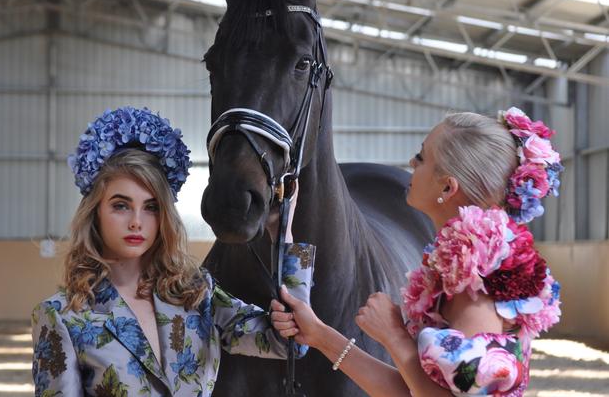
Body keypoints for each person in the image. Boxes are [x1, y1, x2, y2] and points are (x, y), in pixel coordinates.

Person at [271, 107, 562, 396]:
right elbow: (410, 391)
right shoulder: (461, 263)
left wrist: (394, 335)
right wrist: (320, 335)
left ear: (447, 188)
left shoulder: (477, 281)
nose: (411, 162)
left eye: (421, 157)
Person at [31, 106, 314, 396]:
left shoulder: (196, 294)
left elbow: (291, 342)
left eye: (151, 207)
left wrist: (285, 236)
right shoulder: (62, 317)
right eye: (120, 205)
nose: (136, 222)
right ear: (96, 214)